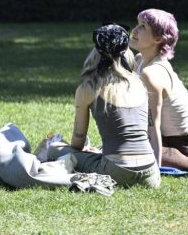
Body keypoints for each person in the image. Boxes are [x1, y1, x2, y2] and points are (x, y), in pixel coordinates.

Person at [47, 24, 160, 188]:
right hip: (151, 173)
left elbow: (77, 143)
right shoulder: (139, 83)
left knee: (55, 149)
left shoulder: (88, 88)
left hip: (116, 171)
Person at [130, 9, 188, 169]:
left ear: (158, 38)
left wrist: (154, 167)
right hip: (164, 138)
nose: (135, 30)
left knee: (129, 151)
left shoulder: (152, 73)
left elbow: (153, 124)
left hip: (181, 143)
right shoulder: (140, 60)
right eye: (137, 24)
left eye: (143, 26)